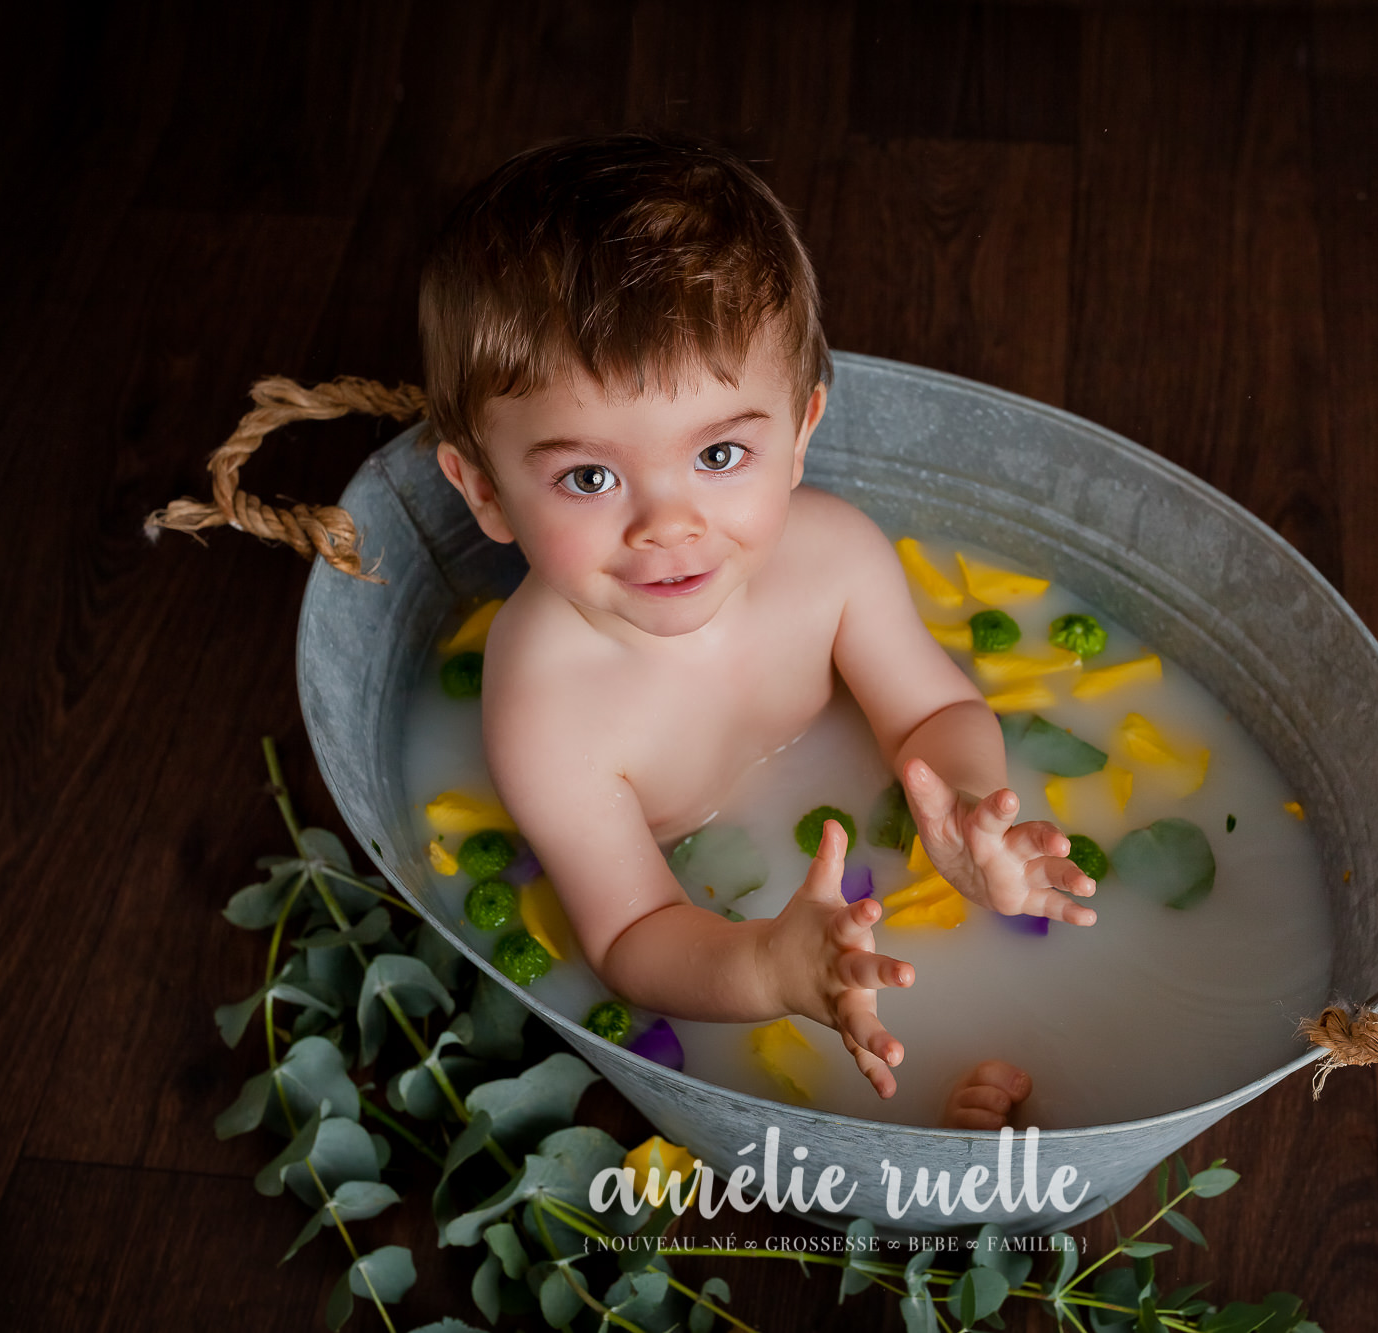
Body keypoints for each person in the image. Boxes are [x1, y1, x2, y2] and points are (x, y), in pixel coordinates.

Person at [423, 133, 1096, 1128]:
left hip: (848, 890)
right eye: (590, 478)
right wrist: (764, 966)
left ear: (801, 429)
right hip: (727, 935)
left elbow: (932, 707)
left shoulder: (831, 559)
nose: (668, 524)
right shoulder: (544, 699)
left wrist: (954, 811)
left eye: (721, 452)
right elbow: (632, 934)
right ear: (483, 491)